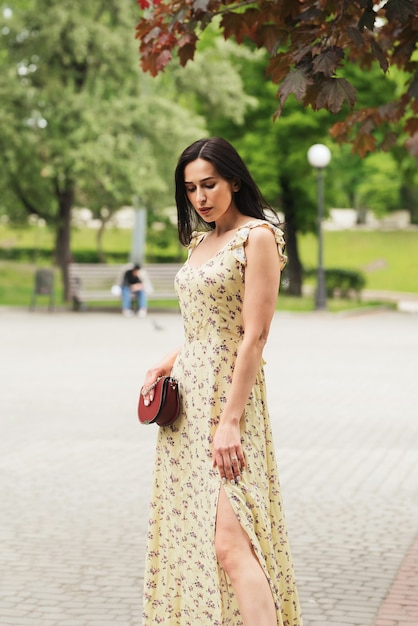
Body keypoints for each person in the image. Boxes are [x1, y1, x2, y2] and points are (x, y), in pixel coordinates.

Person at [140, 137, 303, 626]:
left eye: (209, 184)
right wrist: (168, 360)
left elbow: (254, 335)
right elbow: (207, 326)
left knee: (232, 543)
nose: (200, 198)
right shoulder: (200, 241)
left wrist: (230, 421)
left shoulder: (258, 236)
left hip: (229, 402)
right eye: (190, 189)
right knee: (201, 540)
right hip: (186, 407)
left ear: (234, 179)